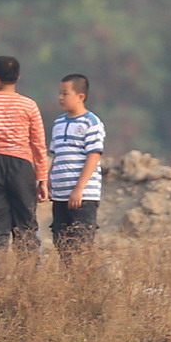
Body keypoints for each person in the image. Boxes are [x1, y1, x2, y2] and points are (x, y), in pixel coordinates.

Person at [0, 56, 48, 270]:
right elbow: (38, 144)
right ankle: (29, 276)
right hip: (21, 166)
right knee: (25, 224)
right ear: (18, 78)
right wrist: (42, 179)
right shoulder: (29, 105)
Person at [48, 73, 105, 261]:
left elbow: (93, 156)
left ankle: (83, 285)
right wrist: (48, 180)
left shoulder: (91, 122)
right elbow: (57, 155)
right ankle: (67, 283)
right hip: (60, 194)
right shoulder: (58, 123)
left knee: (81, 243)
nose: (60, 98)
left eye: (65, 94)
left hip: (83, 195)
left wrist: (79, 188)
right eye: (59, 93)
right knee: (61, 242)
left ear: (81, 97)